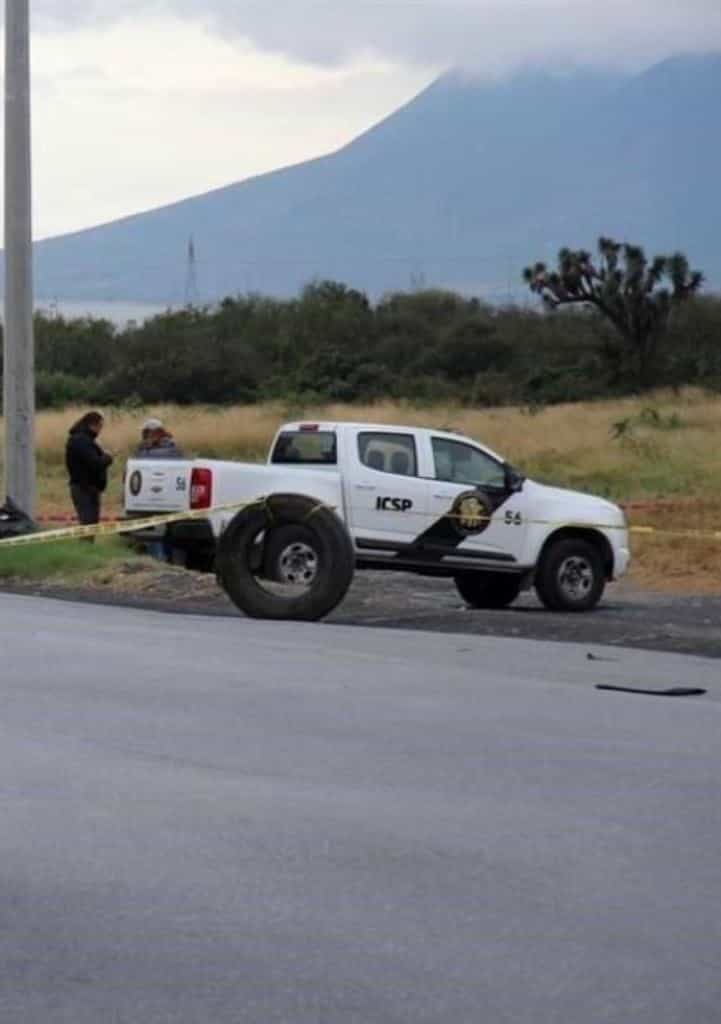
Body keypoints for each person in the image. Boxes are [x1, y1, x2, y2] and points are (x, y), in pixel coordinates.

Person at [65, 411, 114, 526]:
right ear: (92, 425)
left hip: (89, 487)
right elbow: (95, 463)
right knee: (88, 524)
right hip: (84, 488)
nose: (100, 430)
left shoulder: (85, 440)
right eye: (99, 426)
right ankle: (85, 545)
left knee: (91, 524)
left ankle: (87, 544)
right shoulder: (81, 441)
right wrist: (108, 458)